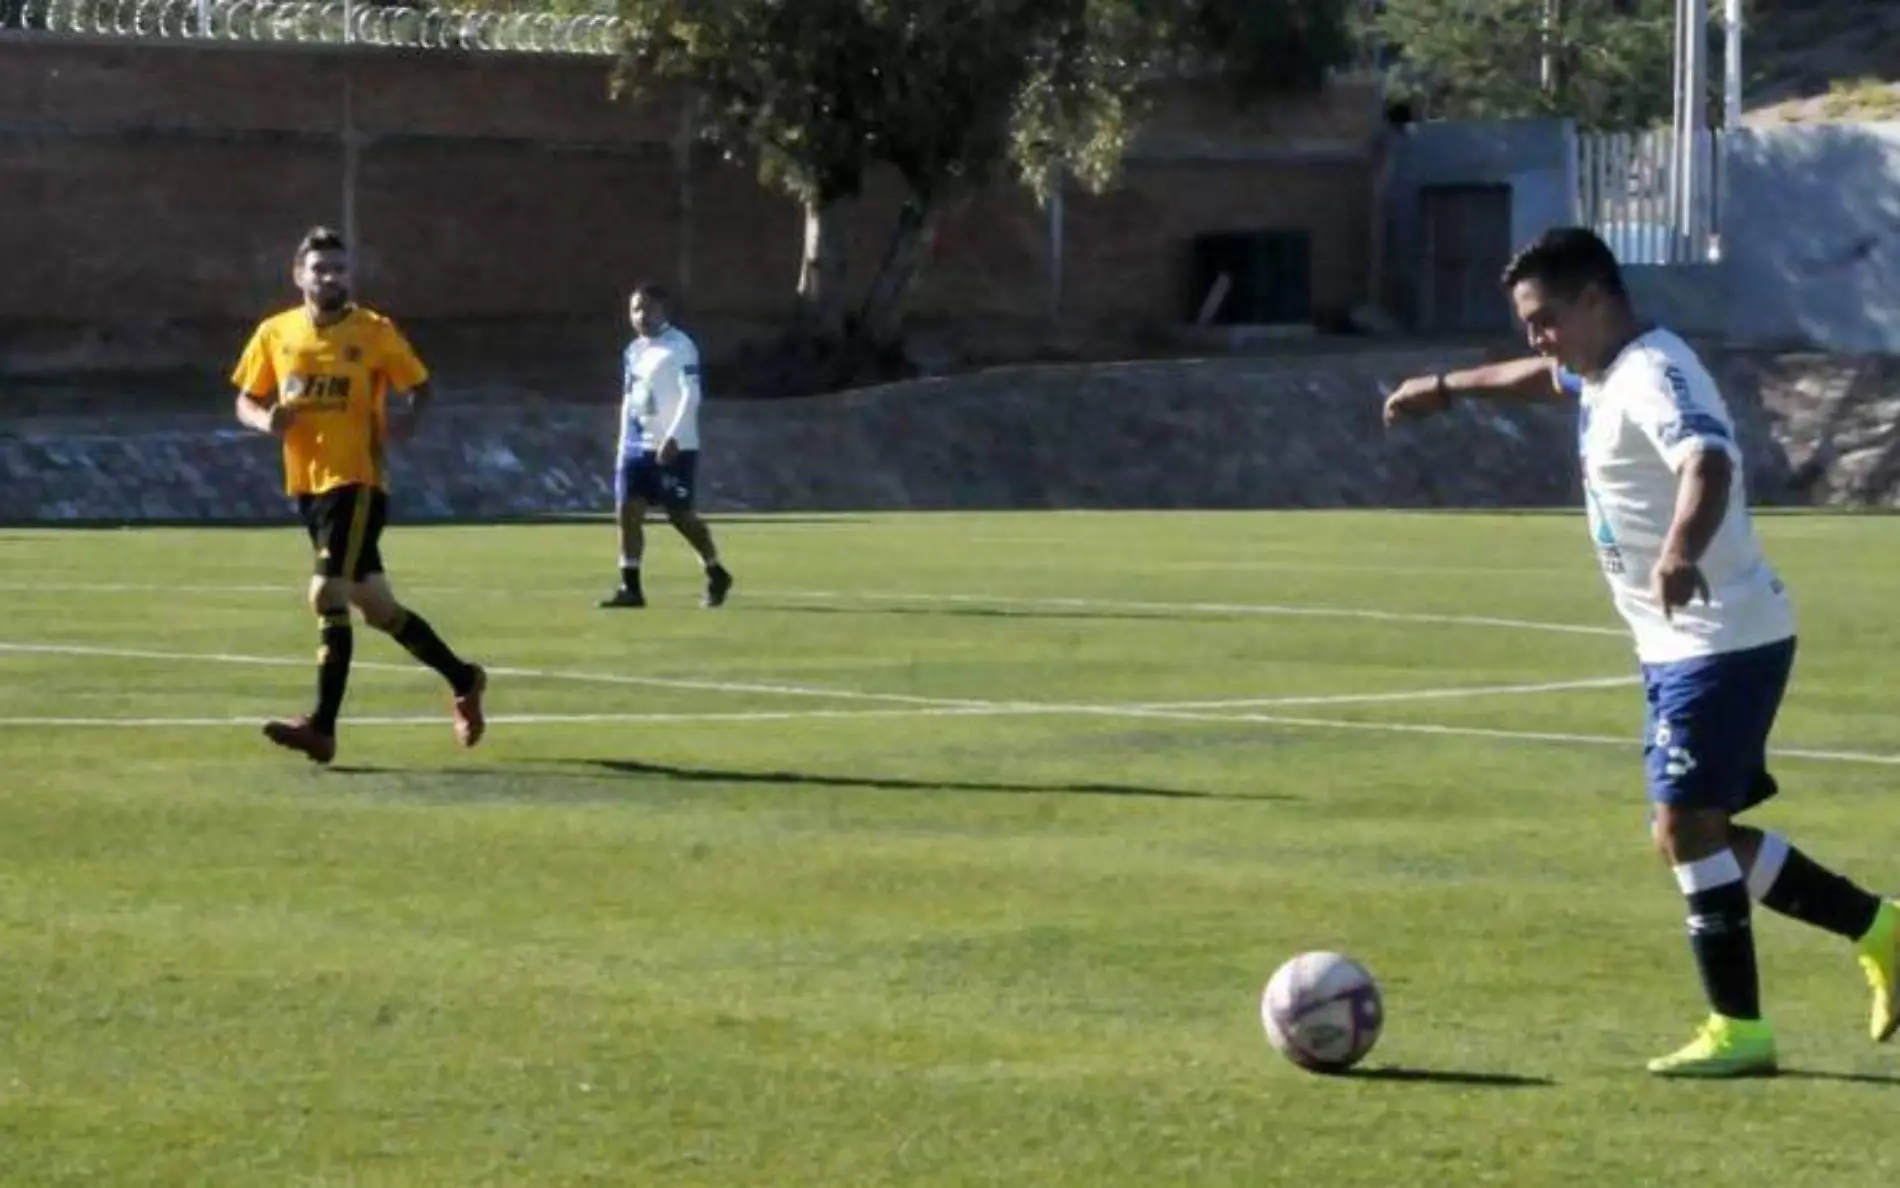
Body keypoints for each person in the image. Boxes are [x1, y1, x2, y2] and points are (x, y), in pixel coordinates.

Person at [1383, 225, 1899, 1078]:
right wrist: (1448, 386)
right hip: (1681, 646)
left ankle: (1740, 1028)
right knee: (1695, 831)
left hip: (1717, 639)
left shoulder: (1657, 373)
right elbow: (1545, 380)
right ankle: (1880, 929)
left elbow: (1707, 460)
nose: (1536, 337)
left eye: (1546, 317)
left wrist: (1678, 551)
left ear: (1596, 298)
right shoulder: (1604, 371)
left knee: (1682, 825)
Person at [231, 225, 487, 766]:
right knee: (379, 608)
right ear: (299, 275)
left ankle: (322, 727)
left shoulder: (373, 330)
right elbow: (246, 400)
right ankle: (464, 678)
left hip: (358, 482)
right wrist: (265, 421)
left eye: (339, 269)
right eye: (320, 269)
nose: (331, 277)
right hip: (308, 486)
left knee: (326, 594)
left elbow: (420, 385)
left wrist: (409, 421)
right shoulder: (275, 332)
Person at [598, 284, 734, 609]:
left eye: (648, 308)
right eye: (635, 309)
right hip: (635, 446)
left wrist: (674, 435)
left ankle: (715, 570)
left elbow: (691, 394)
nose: (641, 316)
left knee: (680, 515)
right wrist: (622, 444)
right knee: (628, 512)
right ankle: (630, 587)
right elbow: (629, 399)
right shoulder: (633, 351)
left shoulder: (681, 347)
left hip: (676, 446)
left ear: (663, 311)